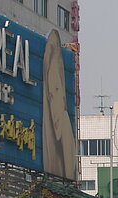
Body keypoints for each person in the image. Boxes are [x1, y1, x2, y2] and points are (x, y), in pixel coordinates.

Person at [42, 29, 77, 181]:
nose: (54, 101)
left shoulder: (67, 132)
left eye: (57, 89)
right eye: (50, 94)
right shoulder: (45, 148)